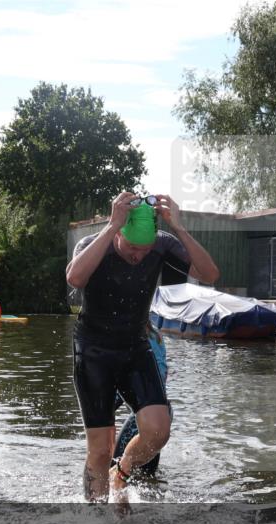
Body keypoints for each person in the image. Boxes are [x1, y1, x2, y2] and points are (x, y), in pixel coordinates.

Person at [66, 192, 219, 503]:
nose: (138, 255)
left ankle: (120, 472)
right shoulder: (97, 242)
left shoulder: (164, 244)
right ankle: (95, 520)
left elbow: (210, 275)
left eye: (144, 249)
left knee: (159, 431)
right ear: (120, 232)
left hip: (135, 346)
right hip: (94, 350)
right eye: (132, 247)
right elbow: (75, 277)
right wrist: (111, 227)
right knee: (100, 448)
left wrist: (180, 228)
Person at [111, 321, 168, 477]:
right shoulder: (156, 334)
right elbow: (163, 374)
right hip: (163, 415)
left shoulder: (129, 337)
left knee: (112, 468)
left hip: (142, 422)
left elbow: (124, 386)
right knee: (148, 478)